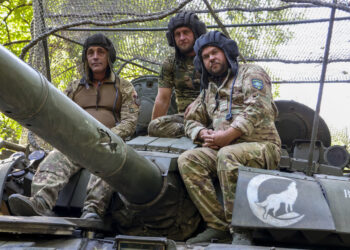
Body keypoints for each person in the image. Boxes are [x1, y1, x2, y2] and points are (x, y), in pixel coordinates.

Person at [8, 33, 139, 219]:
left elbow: (130, 122)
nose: (95, 57)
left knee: (109, 162)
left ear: (109, 56)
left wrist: (107, 137)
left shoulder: (124, 87)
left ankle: (93, 210)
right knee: (55, 158)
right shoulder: (75, 87)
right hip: (76, 144)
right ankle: (40, 202)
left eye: (100, 52)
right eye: (90, 52)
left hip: (109, 144)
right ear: (86, 58)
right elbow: (58, 115)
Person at [178, 31, 281, 244]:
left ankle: (241, 230)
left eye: (215, 53)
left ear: (226, 53)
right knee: (188, 159)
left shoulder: (250, 73)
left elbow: (260, 107)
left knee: (227, 155)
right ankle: (218, 226)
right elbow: (190, 119)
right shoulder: (209, 89)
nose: (211, 59)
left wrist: (229, 134)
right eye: (205, 57)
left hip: (262, 146)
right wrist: (200, 132)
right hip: (223, 148)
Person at [147, 11, 206, 138]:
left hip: (212, 115)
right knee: (154, 126)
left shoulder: (209, 56)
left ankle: (201, 132)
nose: (182, 38)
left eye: (186, 32)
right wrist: (152, 135)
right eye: (177, 34)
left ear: (196, 33)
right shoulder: (170, 62)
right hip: (184, 119)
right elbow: (162, 99)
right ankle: (198, 133)